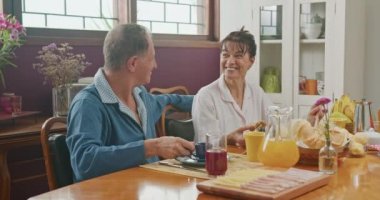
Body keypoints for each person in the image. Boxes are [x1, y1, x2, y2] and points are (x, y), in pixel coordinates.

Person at [66, 24, 194, 182]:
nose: (155, 65)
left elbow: (172, 99)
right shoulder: (87, 104)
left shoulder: (142, 98)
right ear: (133, 63)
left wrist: (213, 99)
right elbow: (84, 163)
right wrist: (152, 147)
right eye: (152, 58)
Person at [192, 27, 324, 147]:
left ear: (251, 61)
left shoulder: (256, 92)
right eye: (225, 55)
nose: (230, 61)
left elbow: (277, 126)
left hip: (253, 163)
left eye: (238, 55)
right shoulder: (206, 96)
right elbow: (204, 144)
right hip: (221, 167)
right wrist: (228, 139)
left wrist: (307, 121)